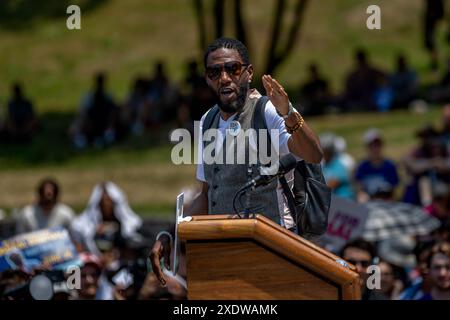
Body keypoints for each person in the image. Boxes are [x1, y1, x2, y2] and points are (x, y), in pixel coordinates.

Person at [150, 37, 323, 285]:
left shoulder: (266, 110)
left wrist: (289, 113)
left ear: (248, 72)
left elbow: (313, 154)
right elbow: (207, 195)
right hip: (225, 253)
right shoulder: (208, 120)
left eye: (233, 69)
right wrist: (171, 233)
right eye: (214, 72)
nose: (224, 78)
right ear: (207, 78)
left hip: (271, 248)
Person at [71, 181, 142, 257]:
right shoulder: (83, 226)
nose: (106, 205)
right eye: (103, 203)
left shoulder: (127, 224)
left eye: (109, 201)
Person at [354, 129, 399, 202]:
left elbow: (394, 192)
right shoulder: (362, 167)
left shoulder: (390, 166)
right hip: (369, 203)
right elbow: (360, 190)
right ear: (367, 147)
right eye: (372, 146)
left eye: (378, 145)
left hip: (386, 202)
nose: (375, 148)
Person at [320, 132, 354, 200]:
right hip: (332, 203)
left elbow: (331, 185)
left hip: (344, 202)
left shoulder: (339, 165)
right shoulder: (324, 166)